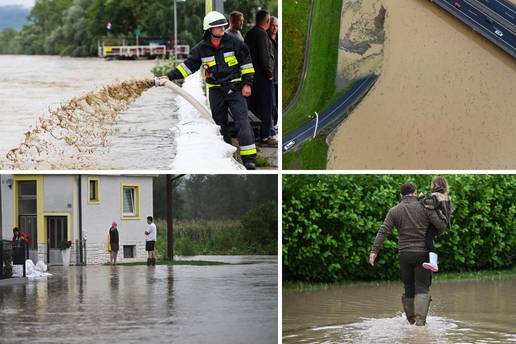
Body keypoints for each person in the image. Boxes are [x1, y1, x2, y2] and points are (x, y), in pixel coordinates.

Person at [160, 11, 258, 170]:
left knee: (243, 123)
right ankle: (226, 157)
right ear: (209, 29)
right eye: (218, 26)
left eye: (223, 26)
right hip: (216, 90)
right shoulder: (201, 49)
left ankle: (249, 160)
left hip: (235, 88)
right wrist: (170, 76)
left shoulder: (235, 43)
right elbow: (188, 67)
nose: (222, 28)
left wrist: (247, 84)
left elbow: (246, 64)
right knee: (219, 125)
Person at [369, 183, 448, 326]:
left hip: (405, 254)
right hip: (423, 254)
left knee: (409, 287)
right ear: (415, 193)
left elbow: (383, 231)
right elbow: (441, 226)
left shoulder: (394, 211)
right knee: (422, 287)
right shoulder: (425, 207)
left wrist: (374, 251)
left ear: (401, 196)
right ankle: (420, 323)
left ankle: (411, 321)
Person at [244, 10, 277, 147]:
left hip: (252, 76)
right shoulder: (262, 34)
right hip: (263, 77)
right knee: (267, 106)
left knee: (256, 105)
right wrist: (269, 73)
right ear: (267, 21)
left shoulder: (249, 34)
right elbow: (264, 56)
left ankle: (259, 134)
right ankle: (266, 136)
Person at [419, 176, 453, 272]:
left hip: (438, 222)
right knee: (429, 237)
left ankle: (433, 263)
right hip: (444, 223)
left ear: (436, 185)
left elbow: (430, 204)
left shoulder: (436, 195)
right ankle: (432, 262)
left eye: (434, 184)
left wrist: (421, 198)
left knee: (428, 238)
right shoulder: (447, 196)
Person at [266, 16, 279, 135]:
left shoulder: (279, 38)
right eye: (273, 25)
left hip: (277, 77)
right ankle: (272, 126)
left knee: (277, 103)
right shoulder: (265, 39)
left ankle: (274, 124)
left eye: (276, 26)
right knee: (271, 104)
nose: (275, 28)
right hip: (270, 78)